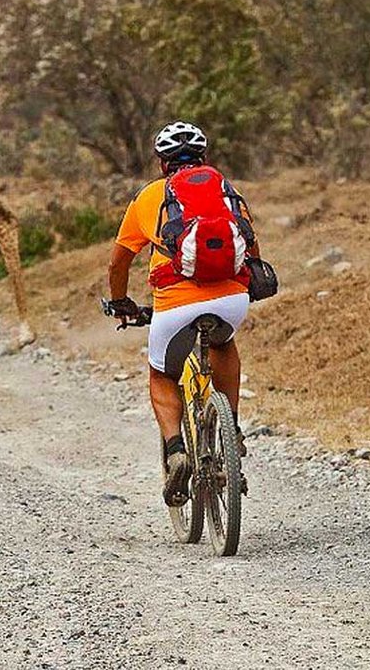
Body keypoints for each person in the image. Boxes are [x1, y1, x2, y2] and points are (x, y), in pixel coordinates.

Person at [106, 121, 257, 504]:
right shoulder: (225, 191)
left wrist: (122, 302)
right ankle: (232, 428)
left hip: (174, 306)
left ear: (161, 163)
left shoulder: (149, 198)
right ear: (204, 158)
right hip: (230, 300)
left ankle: (176, 451)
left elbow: (118, 264)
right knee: (224, 345)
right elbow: (251, 249)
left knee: (161, 374)